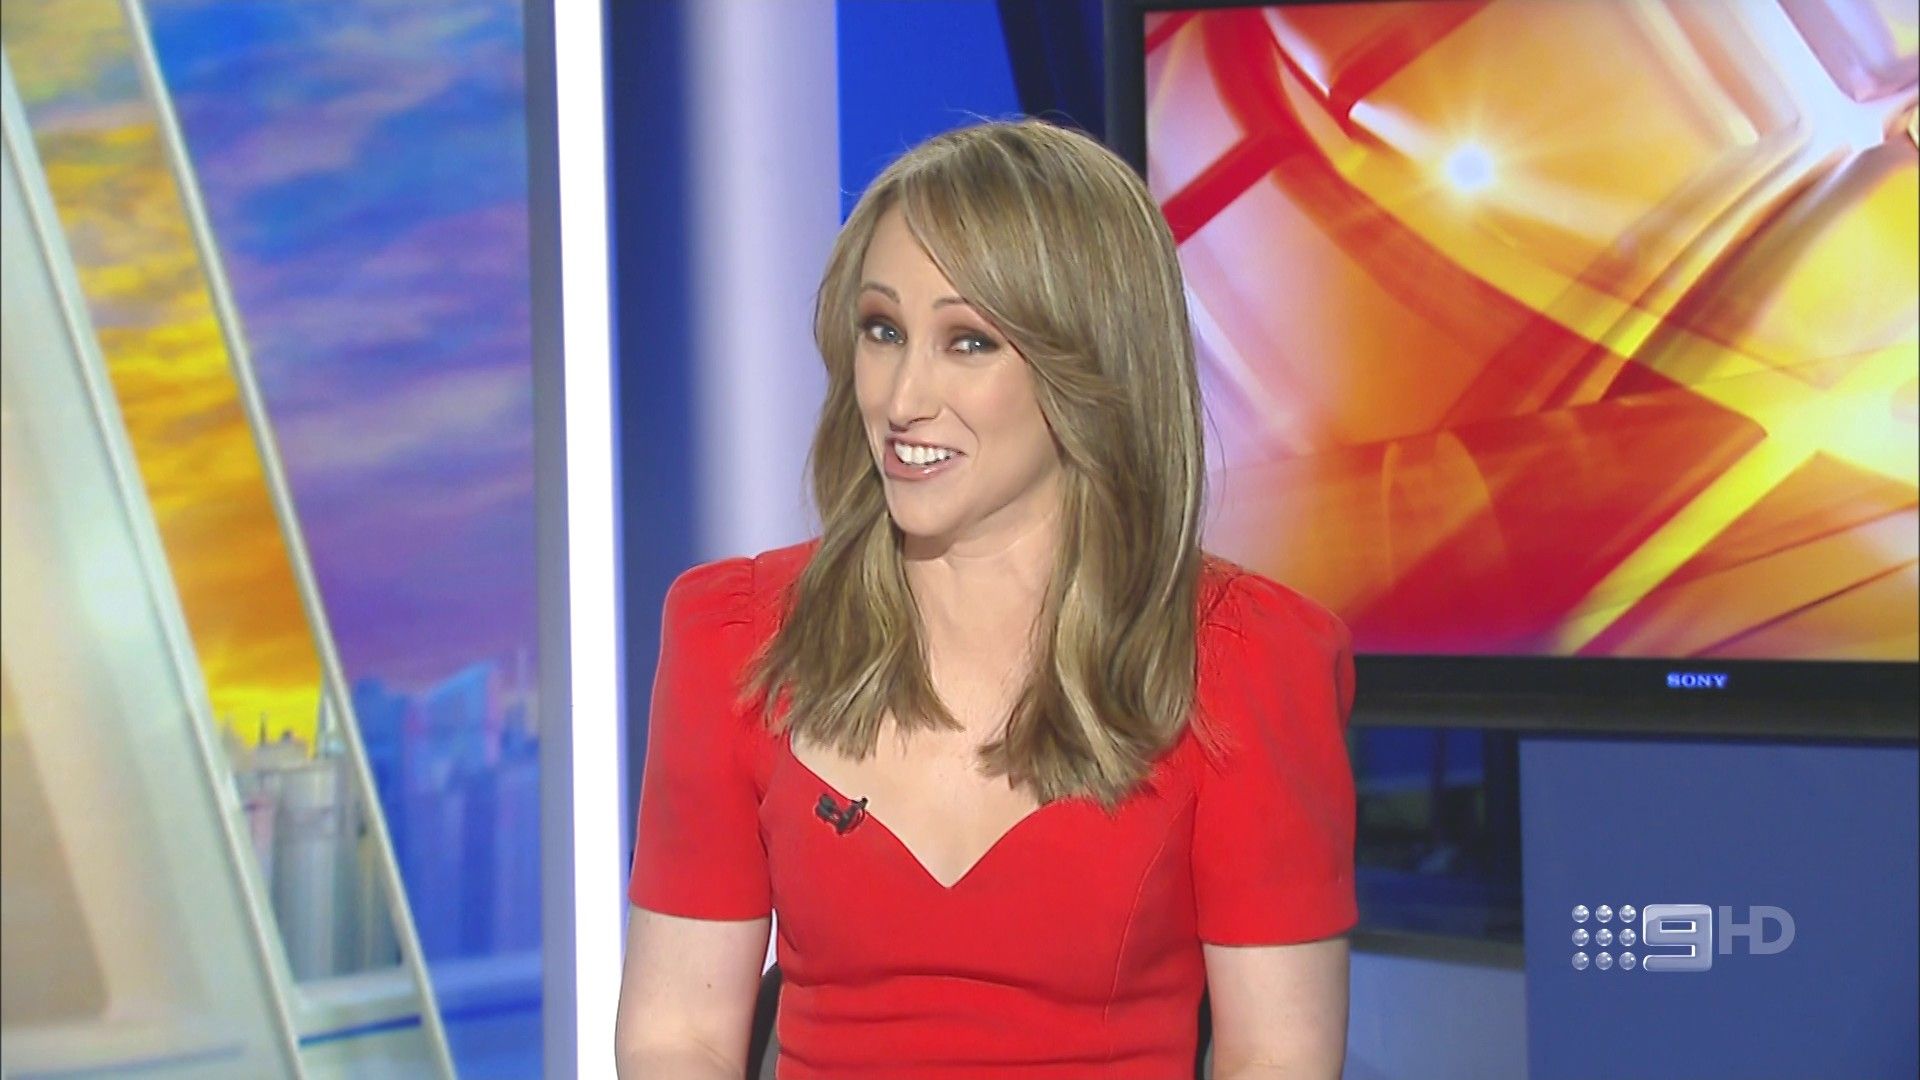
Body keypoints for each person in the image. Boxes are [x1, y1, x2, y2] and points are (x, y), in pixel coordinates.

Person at [614, 118, 1356, 1079]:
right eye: (883, 331)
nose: (902, 397)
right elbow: (676, 1035)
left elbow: (1277, 1059)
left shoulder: (1241, 660)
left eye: (968, 341)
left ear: (1089, 367)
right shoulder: (736, 637)